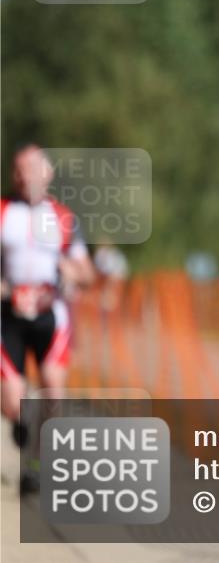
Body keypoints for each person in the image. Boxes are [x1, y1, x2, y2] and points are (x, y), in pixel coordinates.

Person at [1, 144, 96, 494]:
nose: (24, 176)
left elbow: (87, 274)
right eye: (18, 169)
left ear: (48, 173)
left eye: (31, 169)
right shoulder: (2, 212)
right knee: (13, 400)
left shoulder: (64, 218)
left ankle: (35, 468)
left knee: (54, 392)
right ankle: (17, 420)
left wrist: (71, 270)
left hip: (50, 315)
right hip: (8, 315)